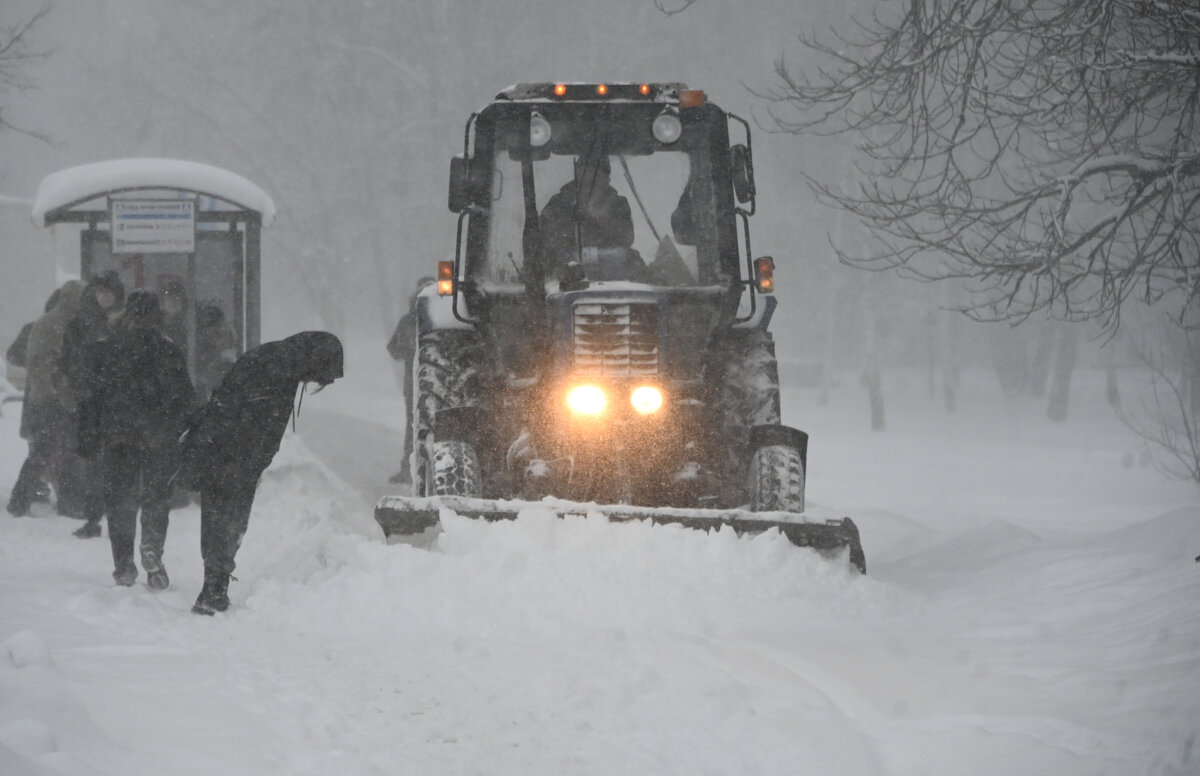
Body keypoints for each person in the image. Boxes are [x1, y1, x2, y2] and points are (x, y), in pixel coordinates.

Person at [179, 331, 343, 615]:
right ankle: (213, 590)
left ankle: (214, 586)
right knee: (228, 520)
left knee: (219, 518)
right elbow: (255, 420)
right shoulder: (278, 369)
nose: (311, 383)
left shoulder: (277, 360)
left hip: (227, 451)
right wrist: (250, 456)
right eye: (317, 376)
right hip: (232, 454)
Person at [82, 290, 194, 588]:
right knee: (156, 497)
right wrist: (183, 431)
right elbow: (184, 398)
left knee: (119, 499)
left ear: (127, 313)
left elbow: (91, 397)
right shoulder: (169, 350)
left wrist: (89, 435)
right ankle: (152, 548)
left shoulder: (106, 350)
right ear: (157, 316)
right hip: (158, 435)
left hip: (118, 435)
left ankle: (123, 566)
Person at [6, 282, 83, 517]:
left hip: (52, 400)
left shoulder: (65, 324)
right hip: (50, 401)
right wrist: (57, 388)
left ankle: (28, 499)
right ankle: (24, 498)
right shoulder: (51, 325)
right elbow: (39, 364)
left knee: (52, 451)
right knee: (46, 451)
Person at [59, 270, 125, 537]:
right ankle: (95, 516)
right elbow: (67, 359)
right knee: (96, 462)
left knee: (116, 462)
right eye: (101, 290)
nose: (104, 295)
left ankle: (116, 515)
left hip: (116, 403)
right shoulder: (82, 322)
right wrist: (82, 385)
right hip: (93, 403)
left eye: (108, 291)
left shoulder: (125, 322)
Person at [538, 155, 645, 280]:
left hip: (613, 269)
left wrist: (604, 220)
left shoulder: (618, 204)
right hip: (566, 274)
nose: (590, 184)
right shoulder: (559, 204)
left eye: (597, 178)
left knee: (635, 264)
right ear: (577, 175)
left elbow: (626, 239)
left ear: (607, 180)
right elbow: (546, 240)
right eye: (586, 176)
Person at [386, 278, 432, 484]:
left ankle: (410, 468)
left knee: (414, 426)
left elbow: (394, 349)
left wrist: (408, 351)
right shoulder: (442, 318)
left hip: (413, 382)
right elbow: (394, 349)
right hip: (426, 383)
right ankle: (424, 469)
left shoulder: (408, 321)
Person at [193, 302, 236, 402]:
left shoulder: (237, 350)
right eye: (208, 329)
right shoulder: (204, 359)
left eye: (219, 327)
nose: (214, 334)